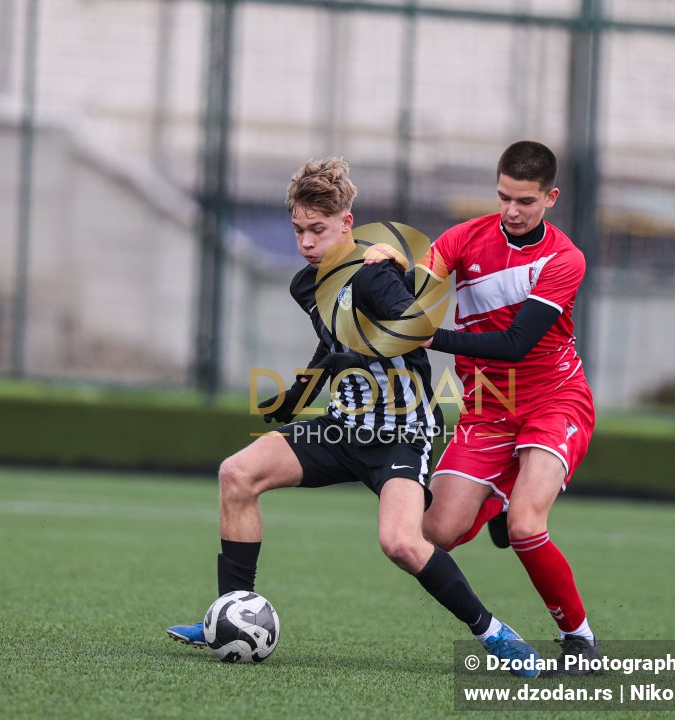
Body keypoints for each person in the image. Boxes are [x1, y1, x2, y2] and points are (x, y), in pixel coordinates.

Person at [165, 158, 541, 676]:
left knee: (402, 543)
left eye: (317, 230)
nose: (306, 242)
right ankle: (230, 614)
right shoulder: (306, 285)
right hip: (341, 428)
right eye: (298, 229)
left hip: (400, 432)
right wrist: (297, 396)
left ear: (346, 223)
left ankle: (494, 632)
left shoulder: (373, 275)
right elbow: (332, 343)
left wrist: (398, 270)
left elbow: (415, 323)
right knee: (237, 473)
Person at [369, 141, 600, 674]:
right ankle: (495, 502)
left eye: (525, 201)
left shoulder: (564, 260)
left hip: (555, 400)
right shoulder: (463, 238)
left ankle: (579, 640)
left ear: (551, 198)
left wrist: (430, 338)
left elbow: (517, 344)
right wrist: (386, 267)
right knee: (434, 535)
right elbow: (415, 289)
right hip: (488, 409)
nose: (512, 211)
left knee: (526, 526)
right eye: (503, 197)